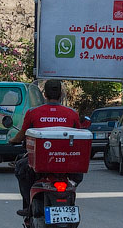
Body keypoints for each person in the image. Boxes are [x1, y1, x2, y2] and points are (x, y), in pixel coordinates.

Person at [7, 80, 82, 217]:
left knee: (21, 168)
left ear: (45, 94)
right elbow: (79, 135)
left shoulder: (33, 113)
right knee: (77, 175)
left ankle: (29, 205)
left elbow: (21, 135)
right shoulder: (72, 114)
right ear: (61, 94)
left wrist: (12, 140)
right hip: (66, 162)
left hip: (40, 162)